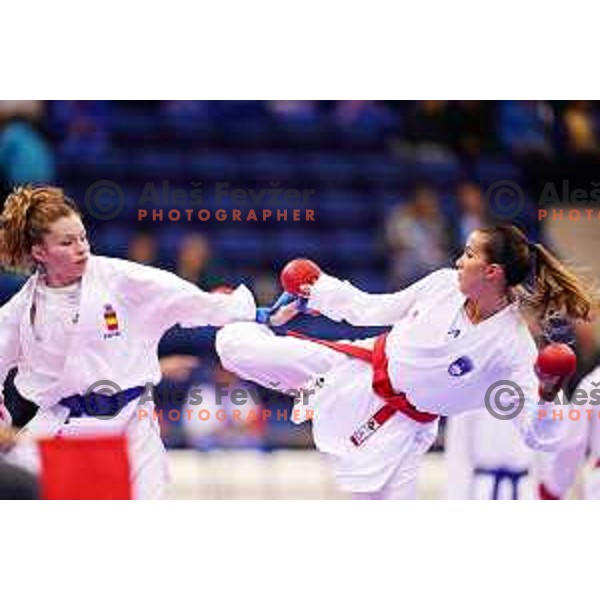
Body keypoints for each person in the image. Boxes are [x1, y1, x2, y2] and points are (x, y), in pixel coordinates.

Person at [216, 225, 594, 499]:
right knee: (231, 343)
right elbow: (372, 308)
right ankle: (292, 364)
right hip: (354, 368)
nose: (459, 261)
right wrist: (316, 288)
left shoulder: (512, 348)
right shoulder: (443, 284)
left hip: (400, 431)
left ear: (492, 272)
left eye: (469, 254)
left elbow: (539, 435)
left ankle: (311, 391)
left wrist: (547, 394)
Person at [0, 185, 256, 499]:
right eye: (67, 242)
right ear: (40, 252)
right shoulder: (21, 311)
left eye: (83, 237)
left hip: (131, 424)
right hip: (61, 427)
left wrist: (252, 311)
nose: (81, 248)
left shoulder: (120, 279)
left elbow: (182, 296)